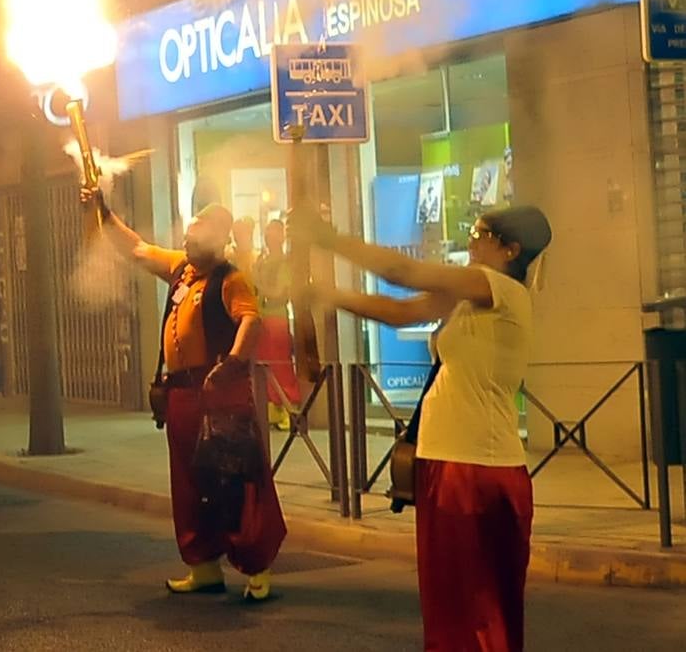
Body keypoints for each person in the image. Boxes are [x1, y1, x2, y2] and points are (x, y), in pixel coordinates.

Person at [294, 205, 551, 651]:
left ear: (511, 249)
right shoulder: (472, 297)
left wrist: (332, 240)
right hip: (450, 458)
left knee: (475, 606)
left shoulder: (499, 288)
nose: (472, 240)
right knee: (450, 600)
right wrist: (326, 294)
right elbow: (400, 311)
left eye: (482, 233)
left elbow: (403, 271)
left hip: (475, 466)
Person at [87, 187, 286, 600]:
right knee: (191, 484)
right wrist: (104, 212)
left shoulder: (231, 279)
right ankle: (204, 566)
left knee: (237, 481)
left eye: (193, 238)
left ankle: (256, 567)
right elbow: (138, 249)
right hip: (182, 397)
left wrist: (231, 362)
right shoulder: (181, 270)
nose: (184, 243)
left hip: (220, 395)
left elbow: (251, 322)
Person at [251, 219, 301, 431]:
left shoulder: (284, 262)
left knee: (280, 366)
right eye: (267, 233)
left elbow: (281, 293)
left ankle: (288, 409)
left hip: (276, 318)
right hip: (262, 318)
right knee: (266, 365)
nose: (269, 238)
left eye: (274, 234)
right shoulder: (263, 260)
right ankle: (272, 411)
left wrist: (260, 284)